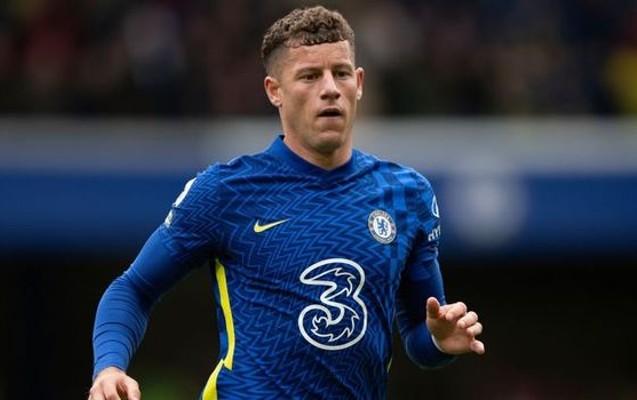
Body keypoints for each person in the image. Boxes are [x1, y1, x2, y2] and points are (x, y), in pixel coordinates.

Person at [88, 6, 485, 400]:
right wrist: (109, 367)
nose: (330, 88)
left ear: (359, 83)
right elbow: (133, 289)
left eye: (341, 73)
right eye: (310, 76)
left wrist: (439, 341)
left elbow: (420, 334)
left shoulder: (406, 195)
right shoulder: (227, 192)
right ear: (274, 90)